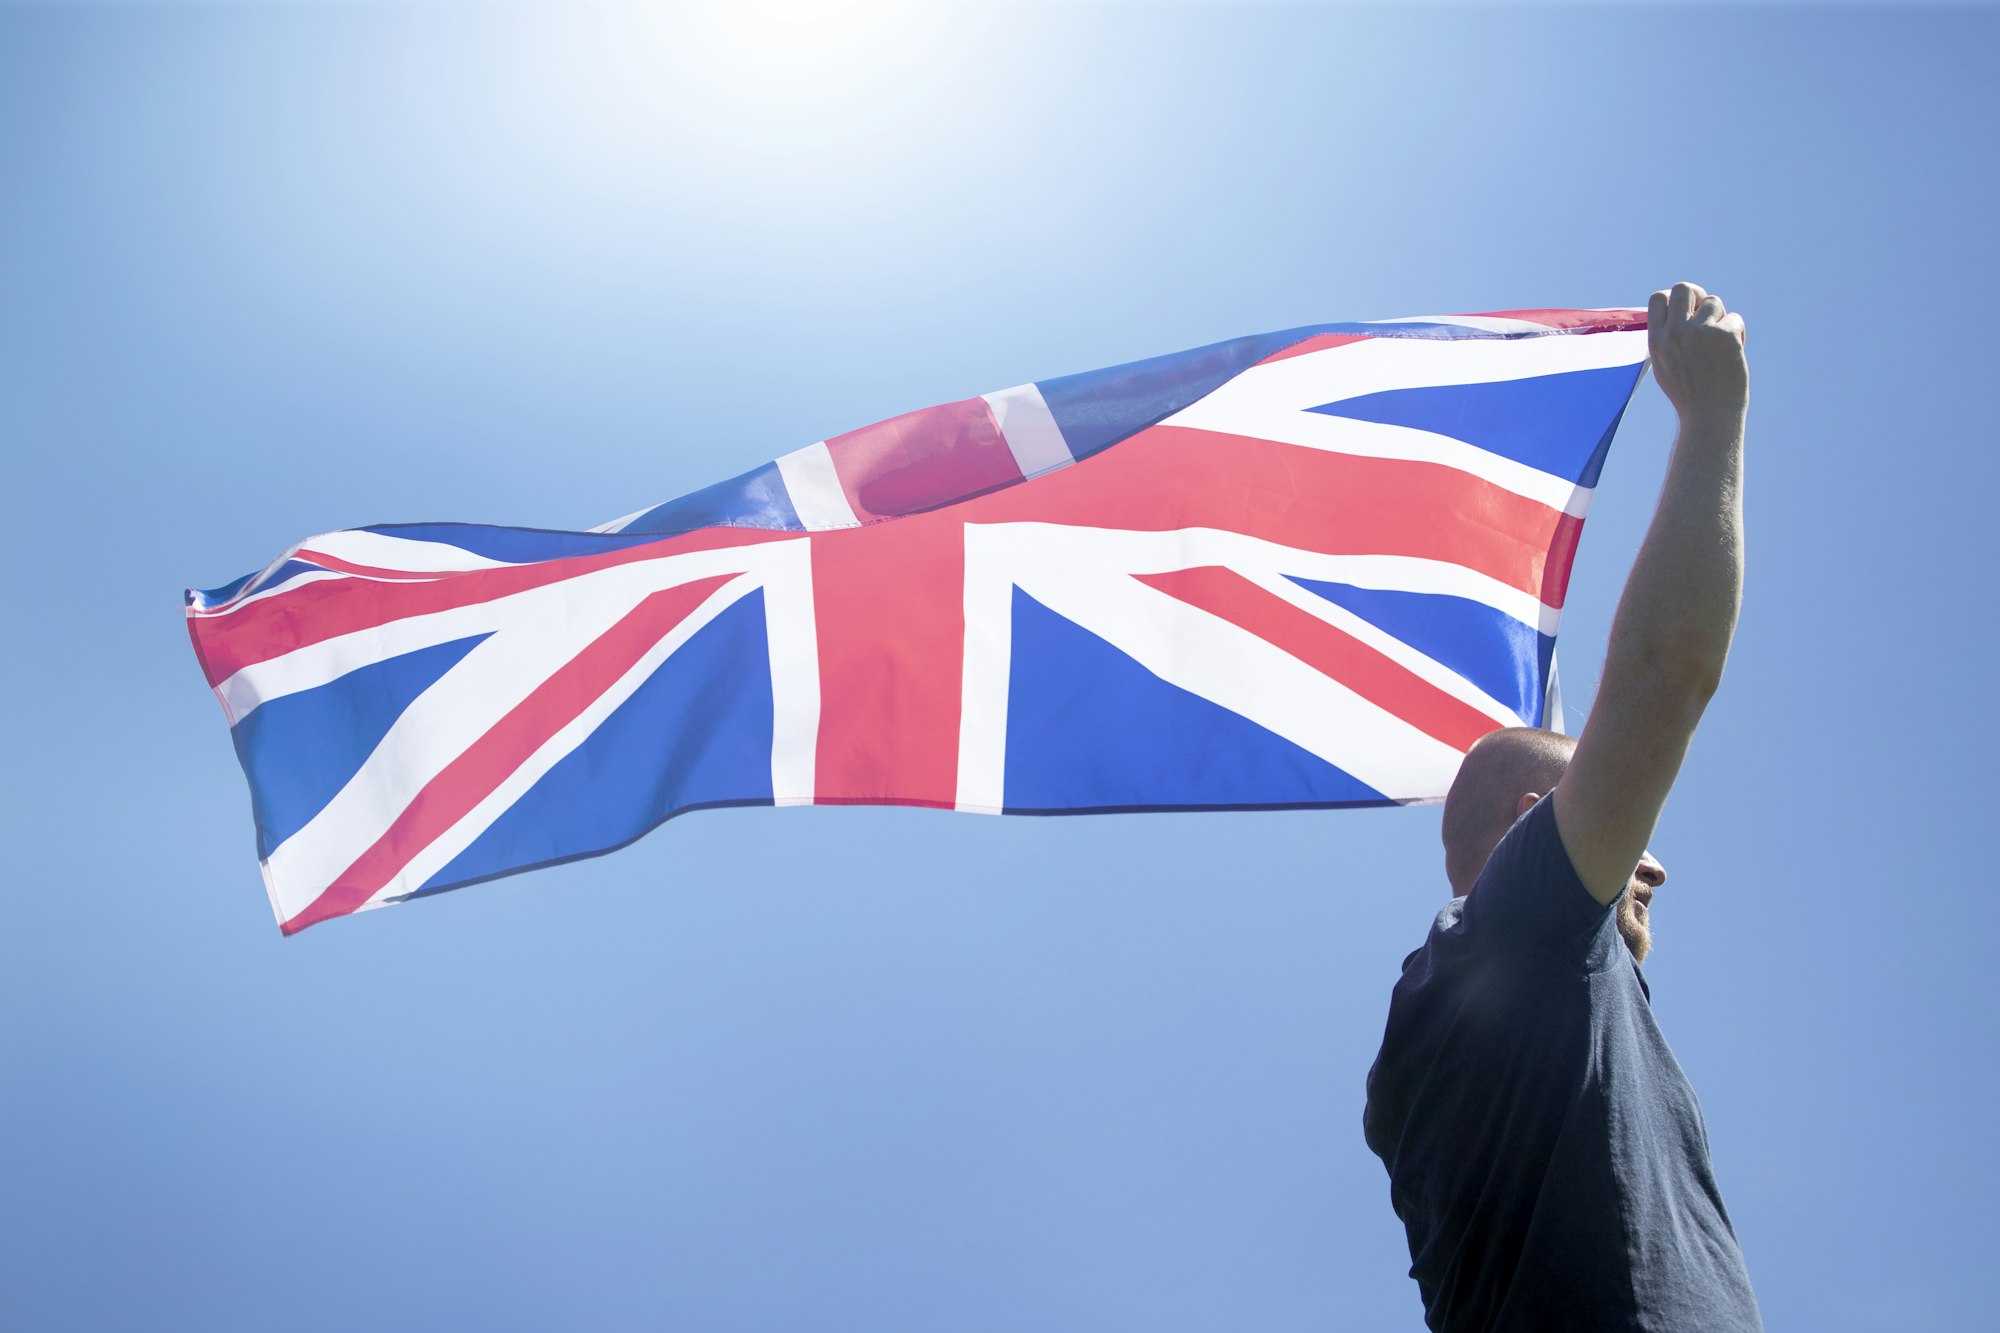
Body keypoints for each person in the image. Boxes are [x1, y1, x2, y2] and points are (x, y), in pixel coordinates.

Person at [1362, 283, 1762, 1331]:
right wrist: (1712, 413)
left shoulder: (1494, 1010)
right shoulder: (1511, 938)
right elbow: (1664, 678)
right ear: (1536, 815)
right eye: (1632, 825)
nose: (1654, 863)